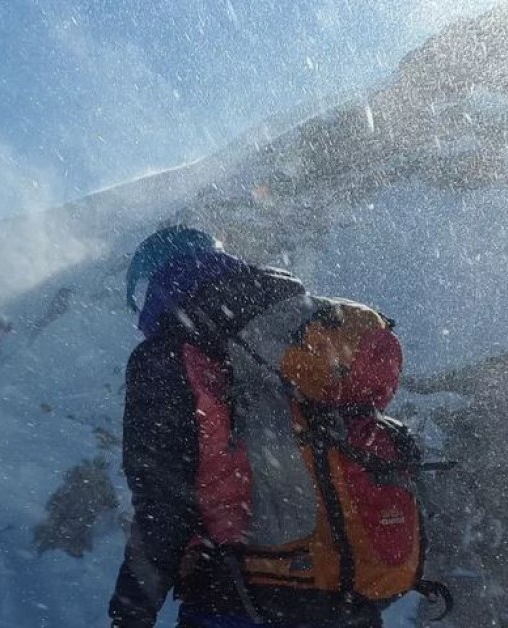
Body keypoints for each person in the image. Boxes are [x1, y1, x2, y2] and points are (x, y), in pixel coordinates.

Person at [110, 226, 419, 628]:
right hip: (348, 598)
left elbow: (163, 503)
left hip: (246, 595)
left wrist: (130, 612)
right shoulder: (289, 327)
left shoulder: (170, 353)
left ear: (153, 285)